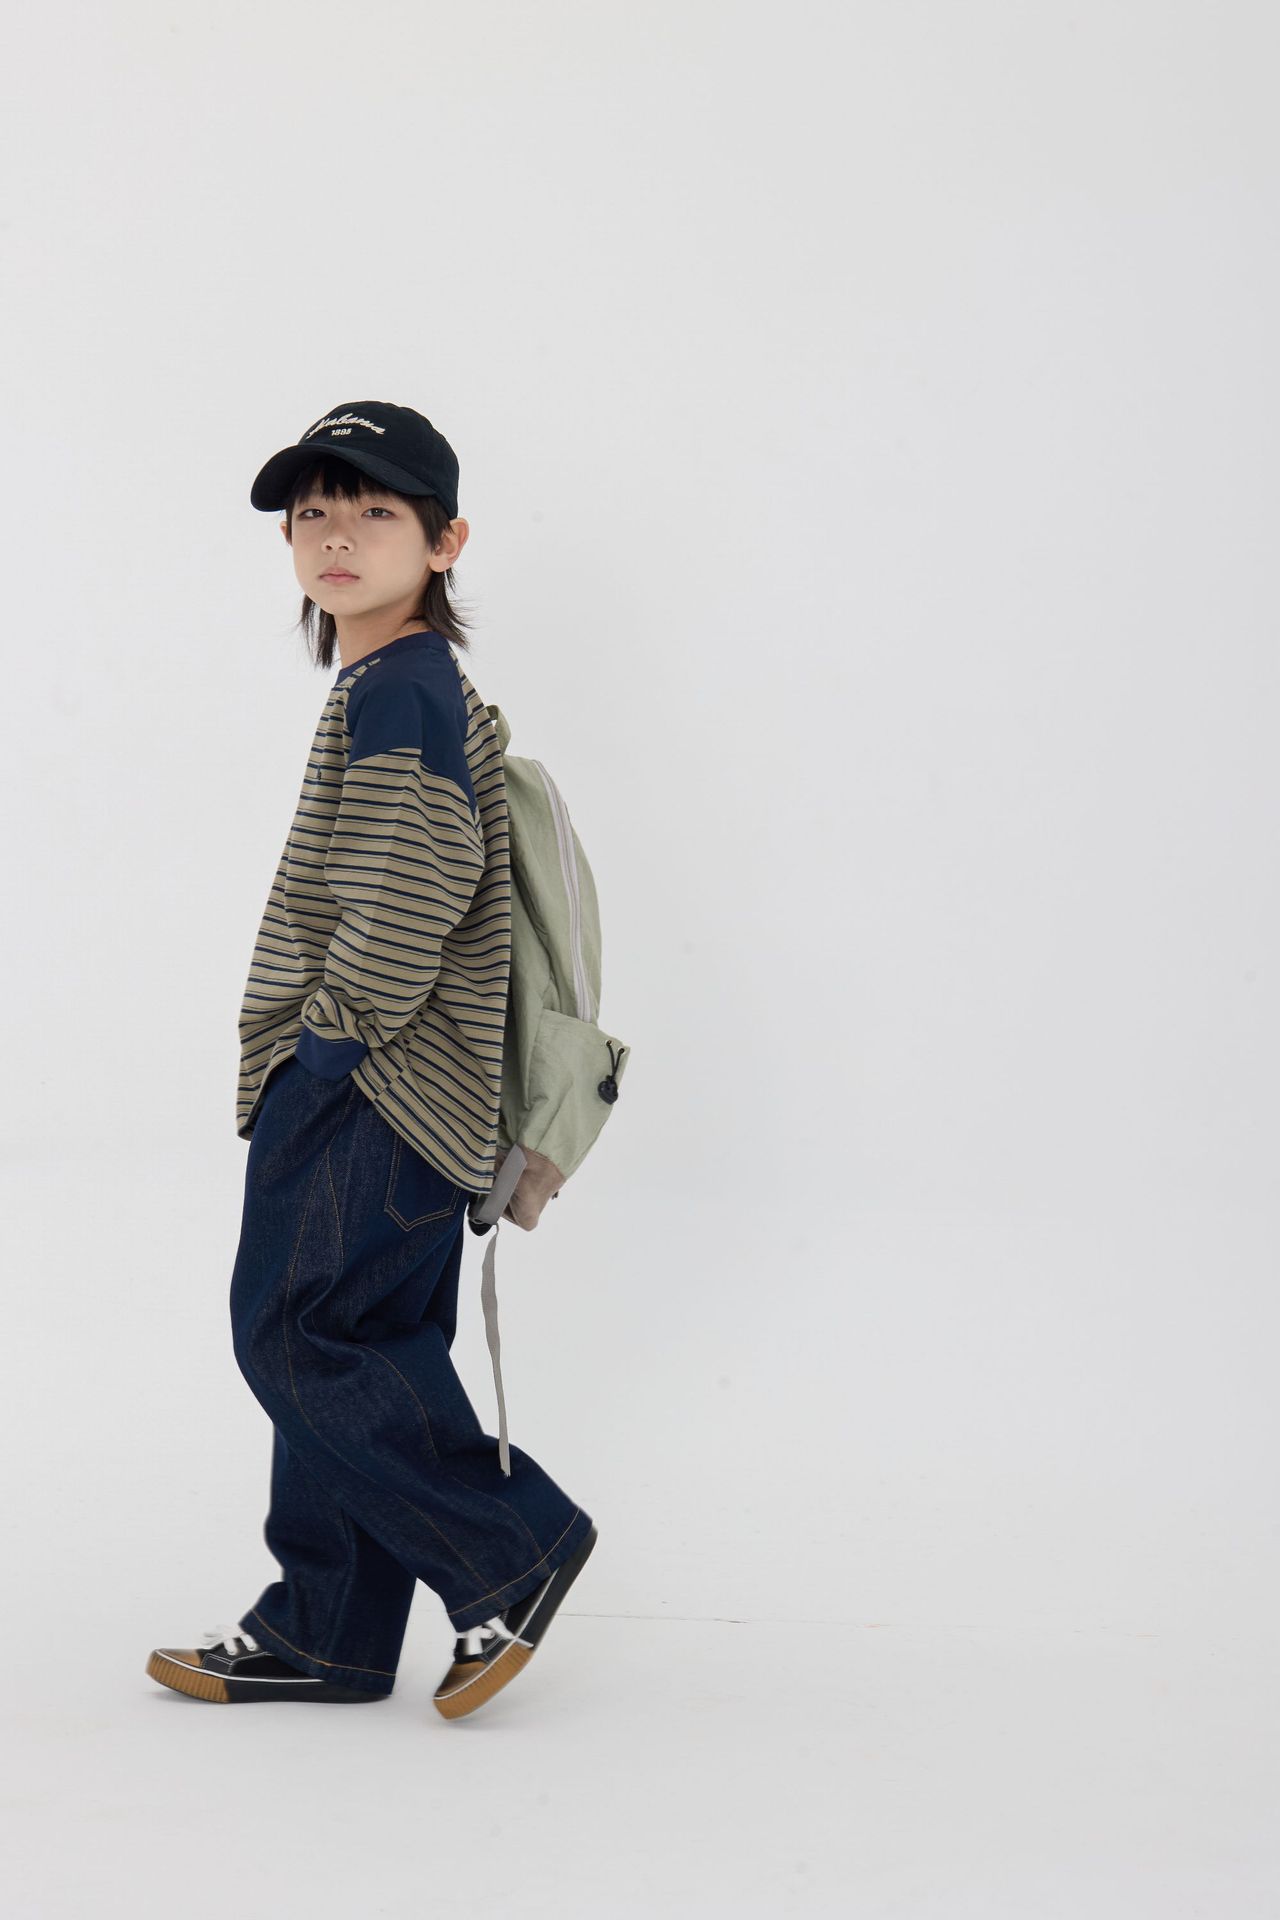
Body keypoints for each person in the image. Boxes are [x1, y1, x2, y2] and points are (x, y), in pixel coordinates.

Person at [146, 401, 597, 1718]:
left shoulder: (402, 686)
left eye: (375, 511)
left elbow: (418, 876)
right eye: (313, 514)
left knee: (297, 1335)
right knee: (363, 1345)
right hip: (416, 1093)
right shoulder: (400, 685)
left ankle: (514, 1546)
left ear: (446, 542)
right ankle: (327, 1630)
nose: (337, 536)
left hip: (375, 1085)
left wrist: (328, 1043)